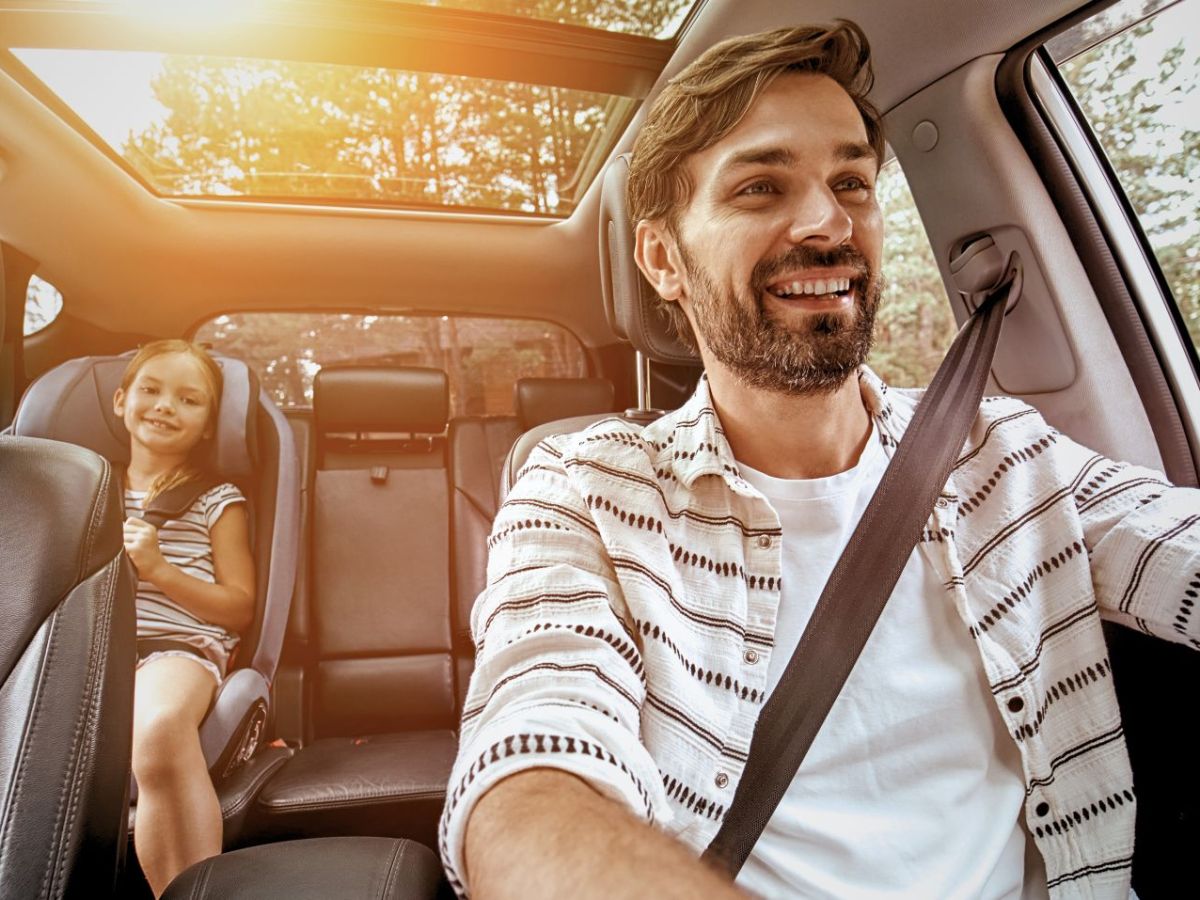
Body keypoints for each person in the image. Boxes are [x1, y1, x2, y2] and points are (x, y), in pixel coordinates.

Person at [439, 19, 1199, 900]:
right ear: (662, 259)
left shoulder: (1008, 454)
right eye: (761, 187)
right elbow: (532, 769)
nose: (827, 223)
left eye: (851, 182)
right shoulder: (585, 490)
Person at [113, 339, 255, 897]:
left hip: (176, 647)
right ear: (121, 401)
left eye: (188, 400)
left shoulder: (217, 499)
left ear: (206, 425)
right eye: (150, 390)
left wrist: (159, 569)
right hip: (83, 652)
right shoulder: (81, 488)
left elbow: (239, 605)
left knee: (160, 725)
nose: (165, 405)